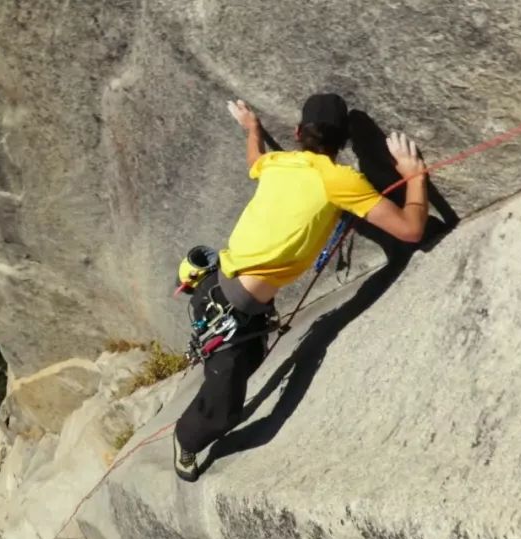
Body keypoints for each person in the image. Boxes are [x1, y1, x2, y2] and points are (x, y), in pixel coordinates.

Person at [173, 93, 429, 481]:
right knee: (226, 407)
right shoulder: (341, 180)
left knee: (246, 365)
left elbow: (254, 161)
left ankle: (215, 390)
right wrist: (414, 176)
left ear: (296, 133)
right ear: (342, 144)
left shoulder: (278, 163)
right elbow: (410, 229)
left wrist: (252, 129)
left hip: (224, 296)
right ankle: (186, 441)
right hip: (228, 312)